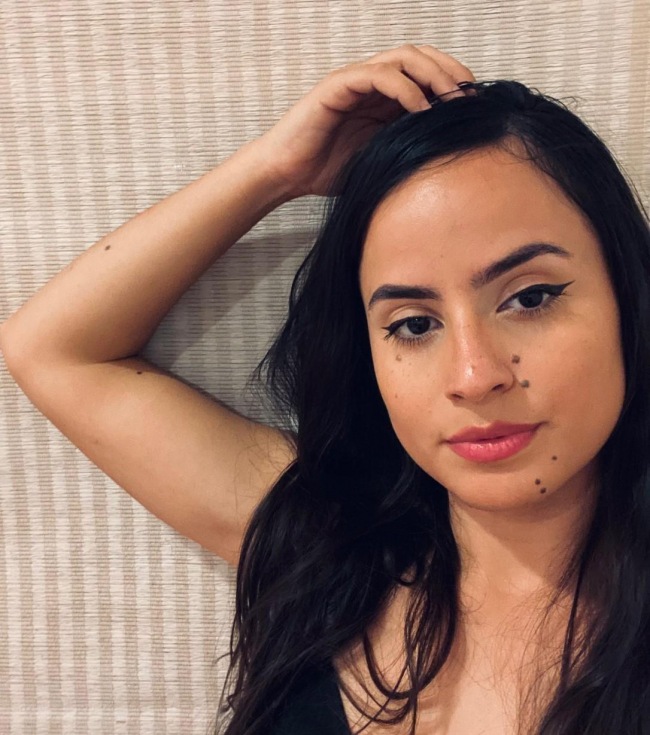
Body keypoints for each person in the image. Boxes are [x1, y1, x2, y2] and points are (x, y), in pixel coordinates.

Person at [1, 44, 649, 735]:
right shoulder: (329, 538)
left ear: (626, 293)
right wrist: (275, 170)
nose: (474, 375)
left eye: (531, 297)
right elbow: (53, 350)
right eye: (414, 324)